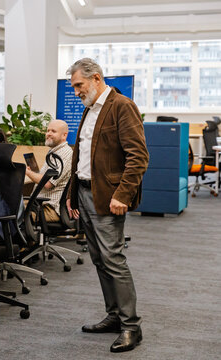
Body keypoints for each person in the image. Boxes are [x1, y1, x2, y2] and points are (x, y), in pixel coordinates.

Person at [65, 58, 149, 353]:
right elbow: (83, 156)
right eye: (73, 86)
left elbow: (138, 156)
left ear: (96, 78)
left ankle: (131, 326)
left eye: (79, 85)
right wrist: (72, 193)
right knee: (99, 259)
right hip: (86, 192)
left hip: (108, 197)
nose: (75, 91)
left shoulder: (121, 106)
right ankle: (114, 316)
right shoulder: (90, 109)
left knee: (113, 260)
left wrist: (122, 195)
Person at [25, 120, 73, 222]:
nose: (49, 134)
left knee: (12, 211)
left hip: (50, 209)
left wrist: (28, 172)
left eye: (53, 131)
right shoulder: (54, 151)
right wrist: (34, 173)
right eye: (48, 131)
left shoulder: (64, 154)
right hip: (40, 205)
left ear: (64, 135)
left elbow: (47, 183)